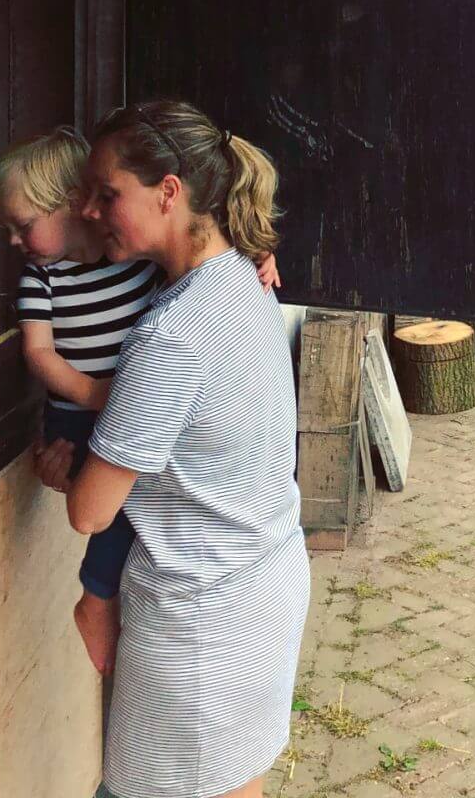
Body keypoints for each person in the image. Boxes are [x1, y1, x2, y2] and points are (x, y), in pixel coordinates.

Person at [54, 99, 309, 798]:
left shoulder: (171, 338)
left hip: (199, 628)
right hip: (264, 586)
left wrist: (69, 462)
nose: (92, 211)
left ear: (169, 192)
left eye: (109, 194)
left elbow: (90, 511)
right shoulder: (243, 282)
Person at [0, 126, 279, 677]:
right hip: (83, 408)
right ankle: (97, 598)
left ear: (71, 205)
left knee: (123, 503)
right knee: (109, 513)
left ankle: (100, 601)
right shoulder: (42, 280)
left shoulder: (144, 266)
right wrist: (102, 397)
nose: (14, 243)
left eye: (23, 226)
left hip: (137, 411)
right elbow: (39, 356)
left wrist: (262, 253)